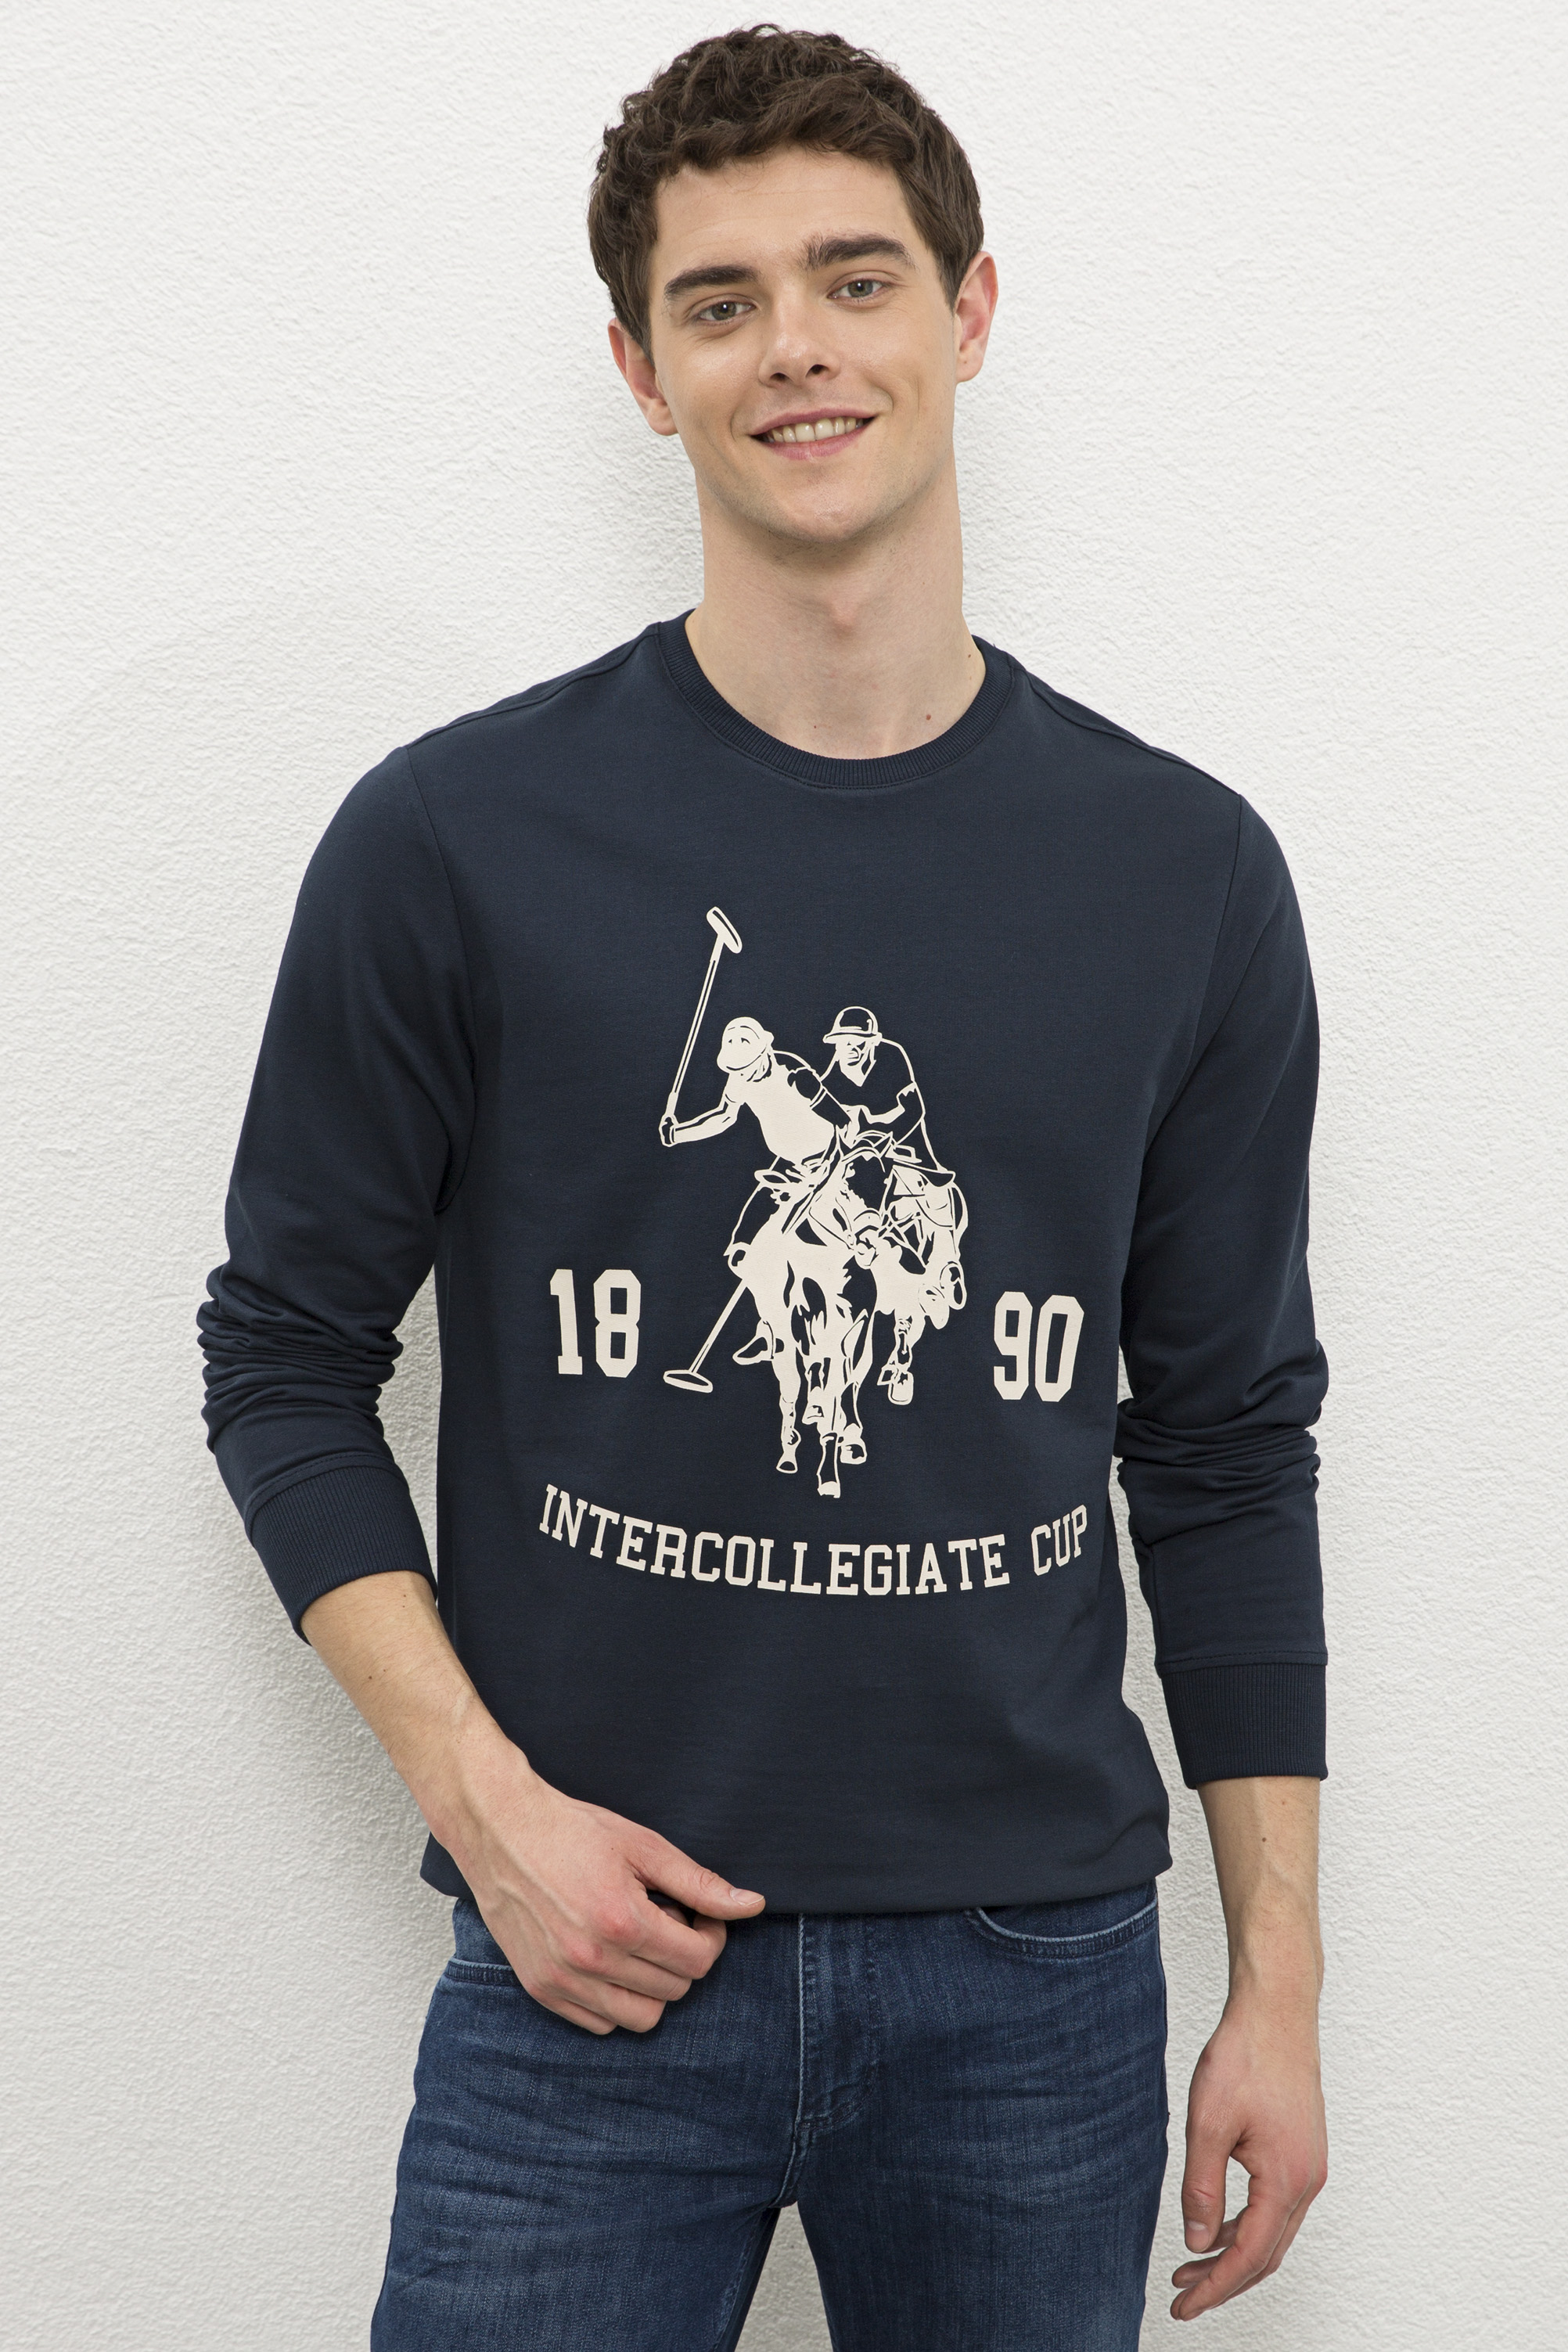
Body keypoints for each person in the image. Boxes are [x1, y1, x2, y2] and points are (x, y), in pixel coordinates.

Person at [199, 25, 1329, 2347]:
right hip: (587, 1961)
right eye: (719, 302)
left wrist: (1280, 1987)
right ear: (643, 370)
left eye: (854, 277)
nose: (795, 344)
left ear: (967, 314)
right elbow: (282, 1362)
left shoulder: (1181, 874)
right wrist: (489, 1812)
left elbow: (1224, 1449)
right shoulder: (454, 842)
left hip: (1033, 1979)